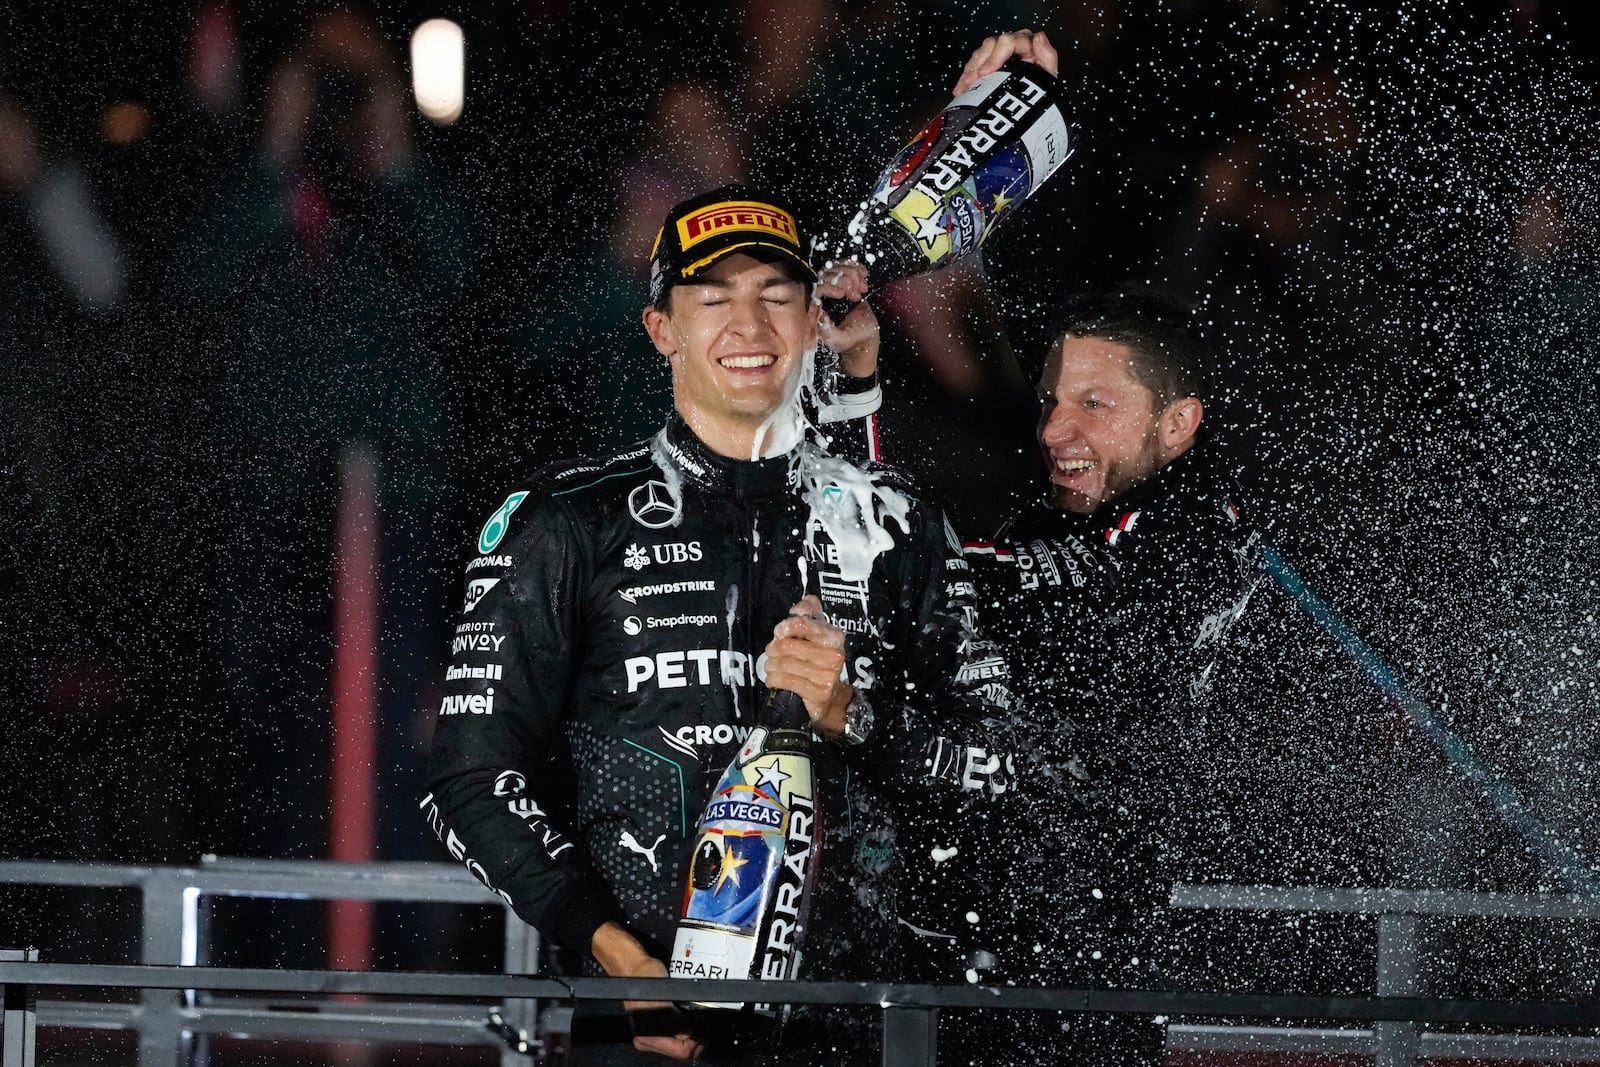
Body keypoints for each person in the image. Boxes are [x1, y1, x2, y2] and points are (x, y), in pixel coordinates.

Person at [422, 185, 1040, 1064]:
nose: (748, 326)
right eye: (714, 299)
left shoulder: (896, 518)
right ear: (661, 330)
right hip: (640, 1028)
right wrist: (620, 958)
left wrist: (856, 716)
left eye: (776, 296)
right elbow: (469, 779)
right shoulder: (563, 521)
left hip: (857, 1027)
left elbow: (1005, 765)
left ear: (811, 319)